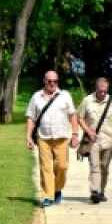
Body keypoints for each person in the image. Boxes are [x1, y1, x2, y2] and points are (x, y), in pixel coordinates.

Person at [24, 71, 79, 207]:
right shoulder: (36, 97)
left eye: (55, 81)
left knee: (62, 166)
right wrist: (28, 136)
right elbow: (31, 117)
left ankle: (57, 188)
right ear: (44, 81)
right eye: (49, 81)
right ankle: (48, 195)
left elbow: (73, 116)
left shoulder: (65, 96)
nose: (52, 84)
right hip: (43, 137)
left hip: (61, 137)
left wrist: (75, 134)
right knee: (45, 167)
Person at [76, 77, 112, 204]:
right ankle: (94, 191)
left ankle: (102, 191)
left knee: (104, 167)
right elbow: (79, 117)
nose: (102, 93)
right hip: (93, 141)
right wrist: (88, 131)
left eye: (104, 91)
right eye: (100, 90)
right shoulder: (88, 100)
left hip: (108, 140)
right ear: (96, 88)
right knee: (94, 166)